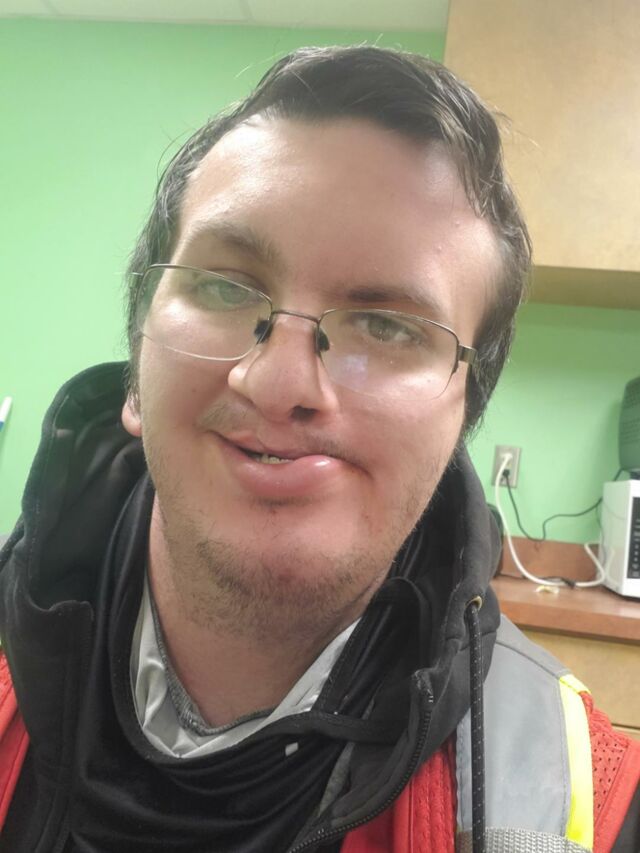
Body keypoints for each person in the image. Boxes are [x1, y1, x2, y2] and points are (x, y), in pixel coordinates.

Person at [0, 45, 638, 853]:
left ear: (459, 422)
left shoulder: (579, 808)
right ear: (135, 366)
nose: (279, 382)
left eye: (387, 325)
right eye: (226, 286)